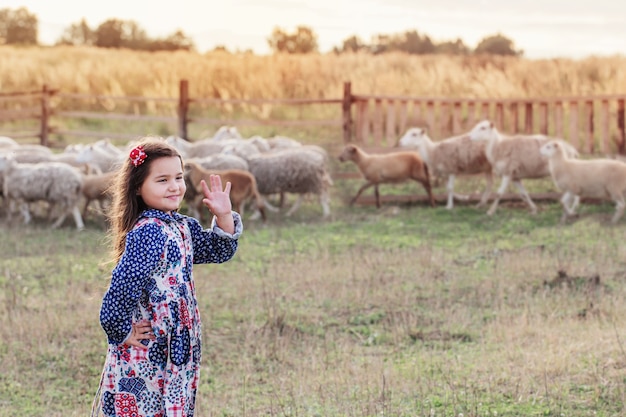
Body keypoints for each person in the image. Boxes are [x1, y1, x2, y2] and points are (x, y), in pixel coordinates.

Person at [91, 138, 242, 417]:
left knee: (169, 406)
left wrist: (223, 215)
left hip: (175, 344)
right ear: (138, 187)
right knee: (144, 407)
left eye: (178, 177)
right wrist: (120, 330)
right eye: (162, 180)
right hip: (151, 346)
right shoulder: (149, 231)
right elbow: (123, 286)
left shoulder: (180, 225)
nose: (174, 186)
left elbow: (217, 250)